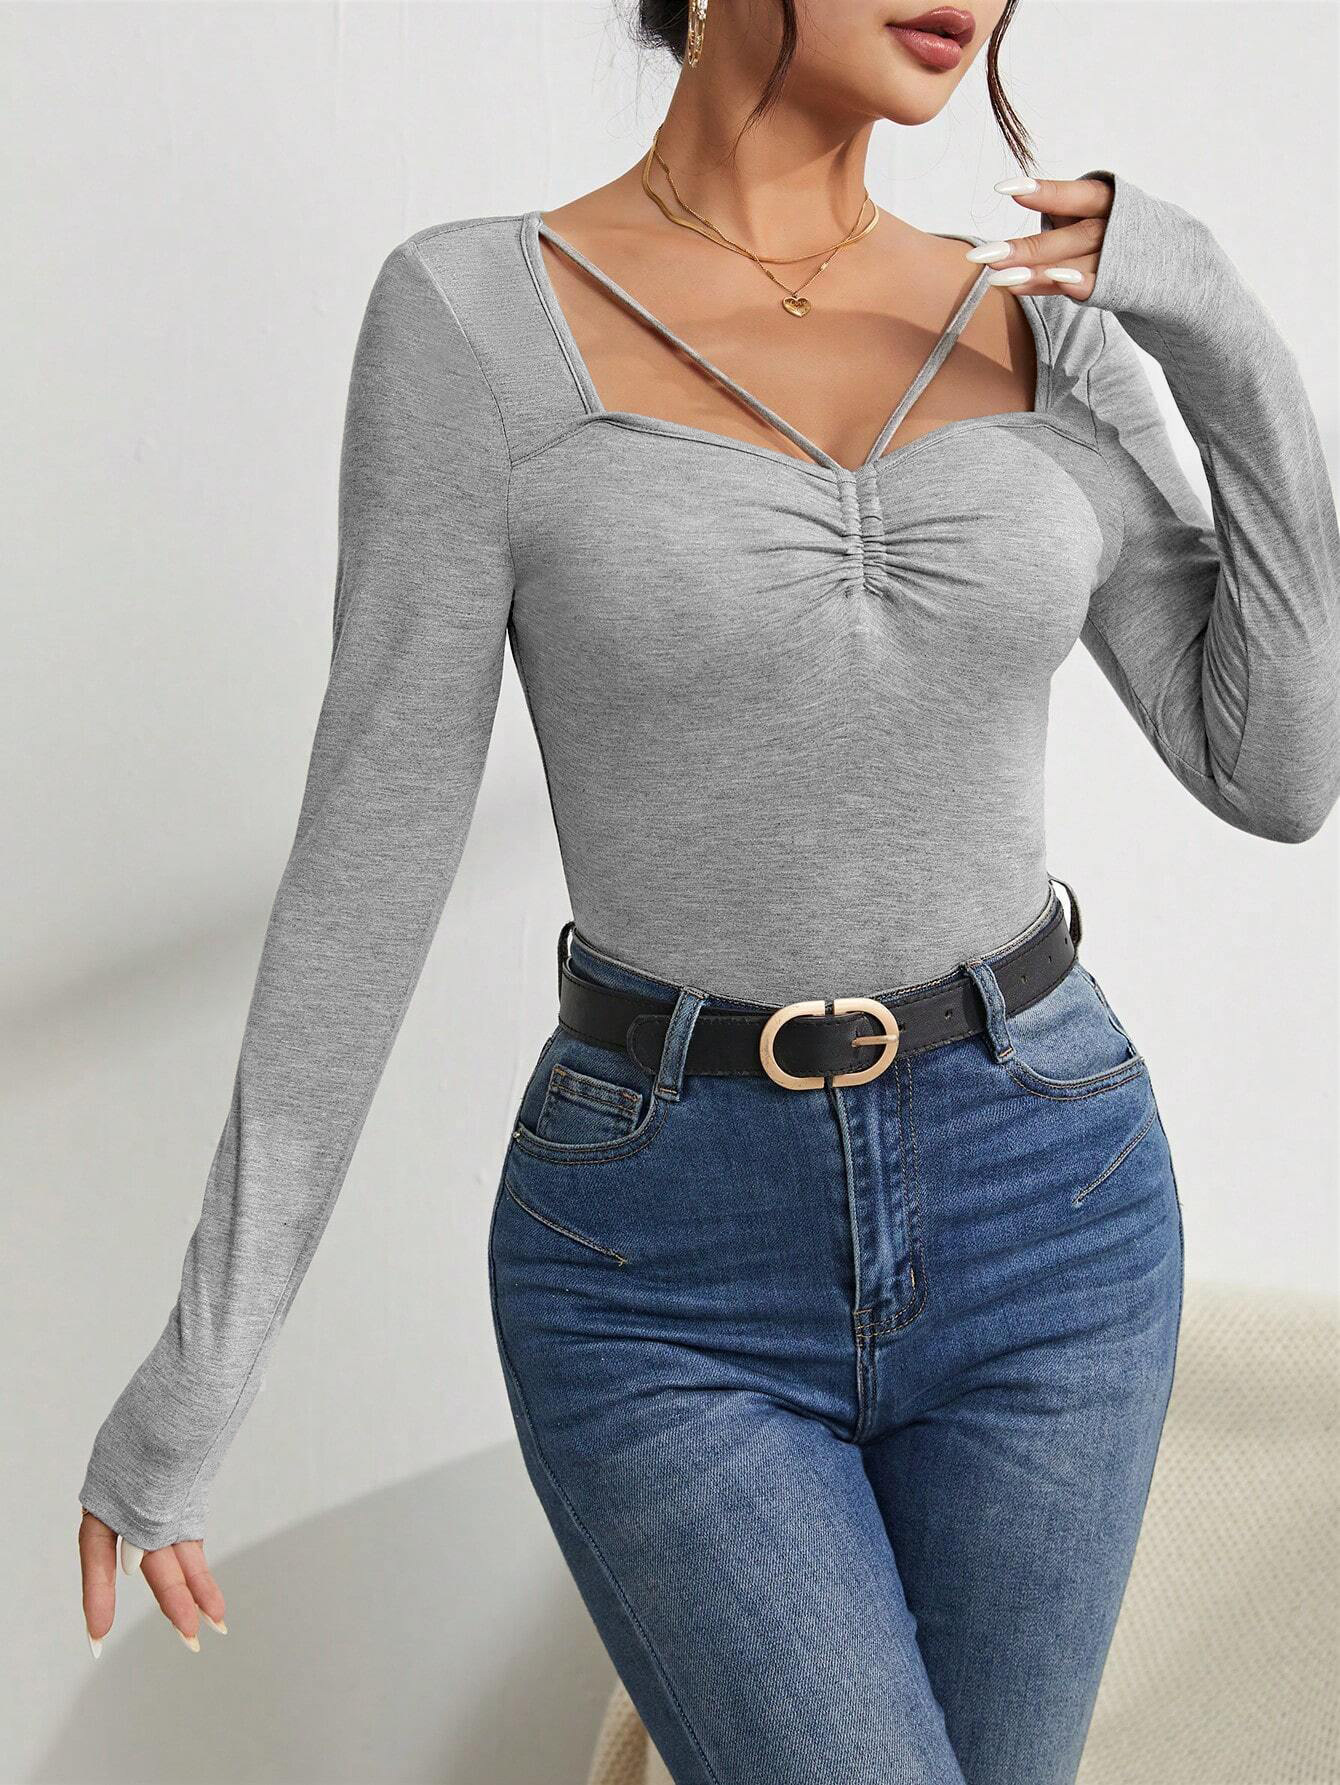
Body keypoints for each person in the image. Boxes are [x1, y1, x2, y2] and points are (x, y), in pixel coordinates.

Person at [78, 0, 1340, 1776]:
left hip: (1052, 1211)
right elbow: (369, 862)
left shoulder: (1046, 332)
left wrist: (1213, 319)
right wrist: (203, 1365)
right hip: (662, 1264)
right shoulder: (473, 322)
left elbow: (1275, 768)